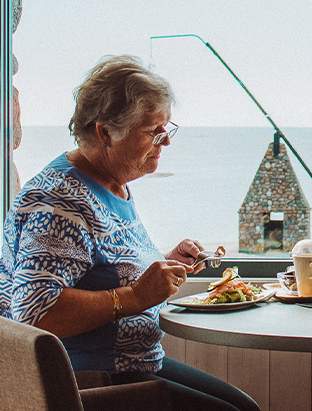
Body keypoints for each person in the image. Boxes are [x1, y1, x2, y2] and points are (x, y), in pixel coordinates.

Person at [0, 55, 260, 411]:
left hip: (133, 364)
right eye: (153, 131)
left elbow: (99, 267)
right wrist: (135, 296)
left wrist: (164, 263)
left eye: (167, 128)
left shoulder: (109, 181)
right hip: (90, 380)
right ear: (105, 132)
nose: (165, 141)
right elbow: (35, 312)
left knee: (244, 406)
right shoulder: (59, 202)